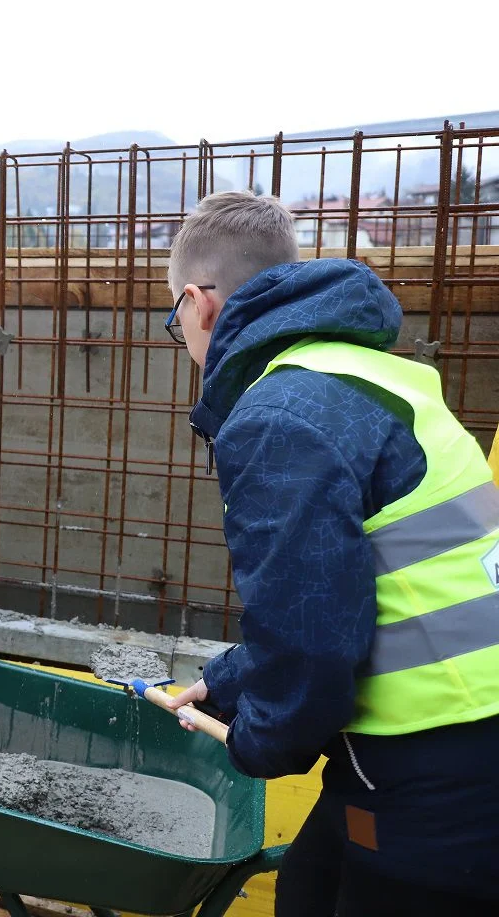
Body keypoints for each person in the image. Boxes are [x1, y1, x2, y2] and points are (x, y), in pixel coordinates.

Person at [160, 191, 499, 915]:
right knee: (309, 885)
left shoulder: (279, 416)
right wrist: (229, 682)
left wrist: (257, 742)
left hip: (437, 747)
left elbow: (313, 631)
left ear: (198, 303)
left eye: (173, 318)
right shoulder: (371, 374)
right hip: (461, 731)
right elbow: (367, 588)